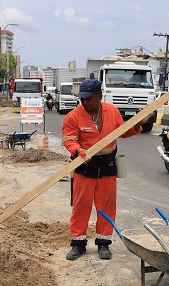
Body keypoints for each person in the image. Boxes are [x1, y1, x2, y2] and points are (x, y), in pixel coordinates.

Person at [62, 79, 151, 261]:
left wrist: (137, 123)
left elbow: (123, 131)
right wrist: (78, 150)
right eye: (82, 99)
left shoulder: (112, 112)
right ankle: (78, 244)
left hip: (107, 168)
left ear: (99, 96)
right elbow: (69, 140)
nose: (85, 102)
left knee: (107, 207)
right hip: (84, 169)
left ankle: (103, 243)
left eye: (89, 99)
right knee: (81, 207)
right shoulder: (73, 116)